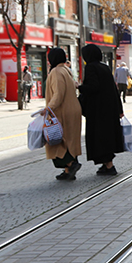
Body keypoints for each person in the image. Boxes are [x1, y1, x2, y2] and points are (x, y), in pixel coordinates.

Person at [77, 45, 125, 176]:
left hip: (98, 110)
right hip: (109, 109)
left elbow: (93, 87)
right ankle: (106, 165)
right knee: (107, 136)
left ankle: (109, 166)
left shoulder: (91, 67)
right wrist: (119, 109)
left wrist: (79, 87)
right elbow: (114, 90)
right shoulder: (104, 67)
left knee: (100, 138)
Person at [40, 48, 83, 180]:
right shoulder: (66, 70)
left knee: (57, 140)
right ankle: (68, 171)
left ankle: (71, 164)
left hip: (63, 111)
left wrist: (48, 108)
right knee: (69, 140)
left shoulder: (56, 71)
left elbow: (58, 94)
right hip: (73, 109)